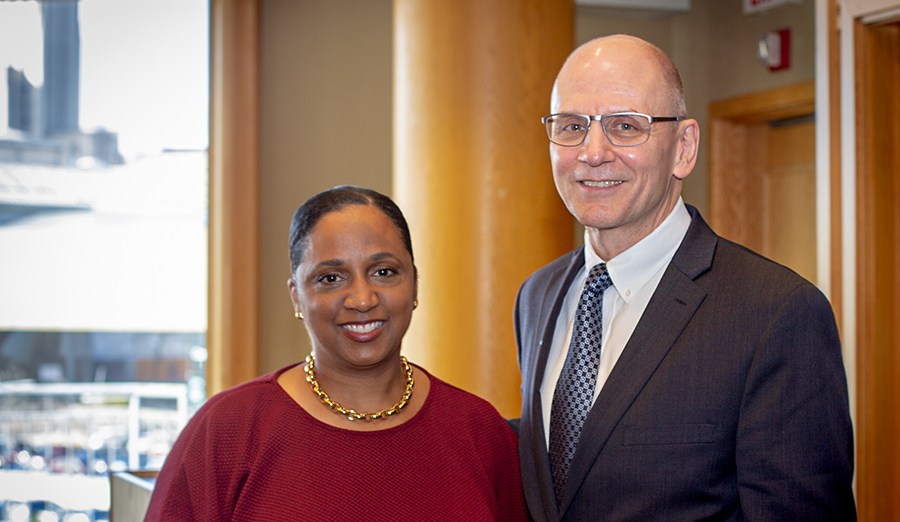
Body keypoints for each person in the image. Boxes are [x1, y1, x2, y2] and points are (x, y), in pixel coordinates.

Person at [513, 35, 856, 521]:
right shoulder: (538, 296)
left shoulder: (777, 314)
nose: (591, 152)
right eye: (571, 126)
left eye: (625, 126)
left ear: (684, 148)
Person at [145, 186, 527, 521]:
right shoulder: (227, 431)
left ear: (414, 284)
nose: (362, 299)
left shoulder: (480, 432)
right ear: (297, 296)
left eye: (384, 271)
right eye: (330, 278)